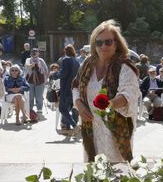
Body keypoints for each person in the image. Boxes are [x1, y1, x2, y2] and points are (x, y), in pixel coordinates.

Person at [72, 19, 141, 162]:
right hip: (91, 129)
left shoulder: (125, 66)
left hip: (114, 132)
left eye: (108, 42)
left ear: (117, 44)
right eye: (99, 42)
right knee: (94, 173)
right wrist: (78, 104)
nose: (103, 46)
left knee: (115, 175)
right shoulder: (87, 64)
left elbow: (128, 94)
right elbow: (76, 85)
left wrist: (110, 104)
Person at [50, 44, 80, 135]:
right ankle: (67, 129)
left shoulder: (66, 59)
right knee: (70, 108)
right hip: (74, 88)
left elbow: (63, 73)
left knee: (62, 109)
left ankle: (75, 126)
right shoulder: (76, 61)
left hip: (66, 88)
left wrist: (54, 75)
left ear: (65, 51)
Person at [25, 48, 49, 113]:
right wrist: (31, 65)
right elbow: (27, 66)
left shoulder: (41, 60)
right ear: (31, 53)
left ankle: (39, 109)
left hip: (40, 81)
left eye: (36, 52)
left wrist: (46, 79)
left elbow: (46, 69)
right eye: (33, 52)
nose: (34, 53)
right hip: (30, 80)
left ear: (38, 53)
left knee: (39, 96)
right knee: (31, 96)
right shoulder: (28, 59)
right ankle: (30, 109)